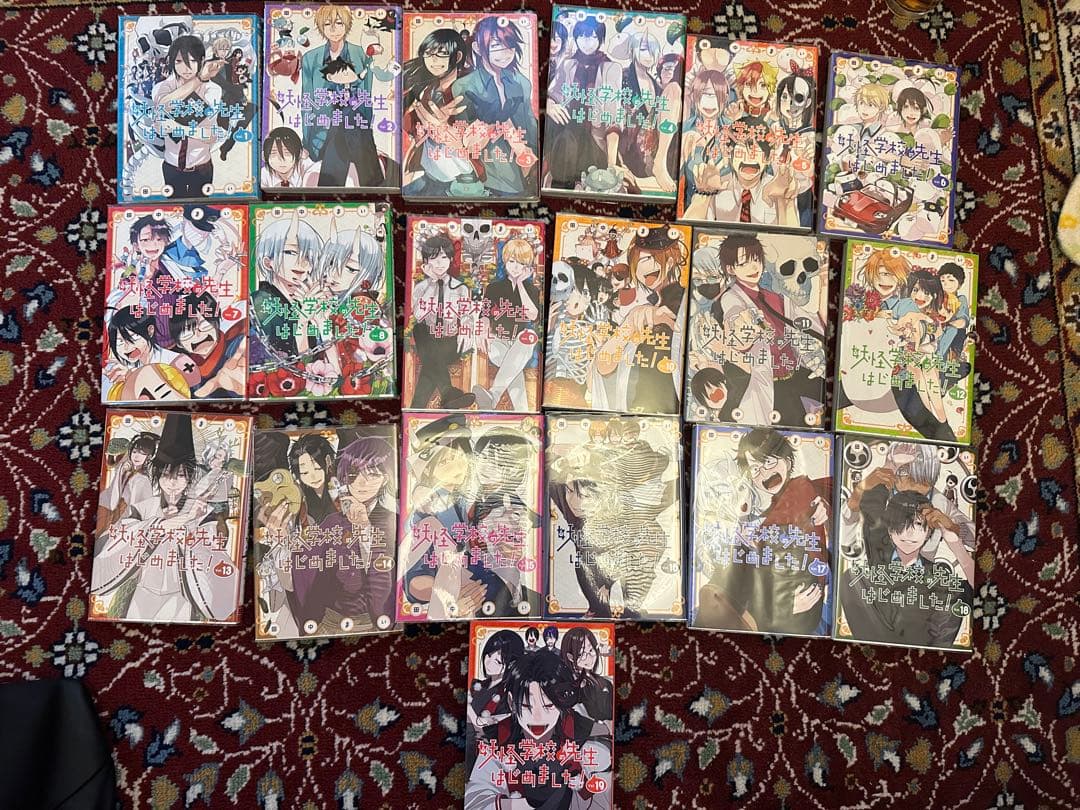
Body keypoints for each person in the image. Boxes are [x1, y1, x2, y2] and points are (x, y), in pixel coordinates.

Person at [91, 414, 240, 622]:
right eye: (166, 475)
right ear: (158, 475)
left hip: (180, 595)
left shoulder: (204, 513)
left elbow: (213, 550)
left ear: (189, 478)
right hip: (142, 590)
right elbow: (122, 537)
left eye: (180, 475)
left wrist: (192, 527)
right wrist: (183, 519)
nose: (172, 482)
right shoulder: (143, 508)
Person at [464, 650, 612, 810]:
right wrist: (514, 805)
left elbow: (604, 793)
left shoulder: (584, 733)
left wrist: (582, 783)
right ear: (512, 702)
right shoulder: (498, 736)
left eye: (548, 705)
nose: (537, 717)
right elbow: (475, 799)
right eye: (526, 705)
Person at [301, 5, 393, 188]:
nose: (333, 29)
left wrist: (366, 128)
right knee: (329, 186)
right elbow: (307, 101)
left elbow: (366, 94)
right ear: (321, 27)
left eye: (339, 23)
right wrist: (307, 139)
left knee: (373, 187)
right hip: (325, 128)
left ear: (347, 25)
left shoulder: (361, 54)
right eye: (327, 24)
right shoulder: (310, 58)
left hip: (356, 127)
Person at [450, 17, 538, 197]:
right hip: (484, 175)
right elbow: (462, 140)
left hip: (523, 170)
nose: (505, 53)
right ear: (477, 48)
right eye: (497, 46)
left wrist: (531, 159)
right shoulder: (464, 86)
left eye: (510, 45)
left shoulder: (521, 83)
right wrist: (491, 124)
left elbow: (529, 125)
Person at [543, 16, 623, 190]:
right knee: (565, 141)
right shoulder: (568, 64)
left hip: (595, 138)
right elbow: (553, 93)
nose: (587, 42)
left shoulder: (611, 68)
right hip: (567, 134)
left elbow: (614, 115)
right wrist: (550, 105)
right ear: (576, 38)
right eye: (582, 36)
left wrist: (612, 162)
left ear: (600, 39)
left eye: (593, 37)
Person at [471, 238, 540, 410]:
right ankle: (523, 413)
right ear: (505, 261)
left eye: (521, 263)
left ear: (527, 266)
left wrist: (521, 284)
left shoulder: (532, 290)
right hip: (497, 342)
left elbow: (532, 315)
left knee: (529, 336)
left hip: (520, 342)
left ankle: (493, 396)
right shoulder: (494, 288)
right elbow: (484, 314)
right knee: (514, 367)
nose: (516, 267)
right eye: (512, 261)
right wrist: (482, 330)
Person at [401, 28, 471, 196]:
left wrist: (447, 131)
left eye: (441, 54)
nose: (433, 60)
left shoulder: (467, 89)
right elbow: (410, 125)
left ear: (457, 57)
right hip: (430, 172)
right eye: (428, 54)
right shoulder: (427, 89)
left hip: (461, 178)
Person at [152, 35, 222, 198]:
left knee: (202, 209)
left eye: (192, 61)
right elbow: (163, 110)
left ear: (202, 60)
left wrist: (178, 127)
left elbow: (210, 135)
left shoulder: (212, 90)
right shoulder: (162, 87)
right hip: (171, 166)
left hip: (201, 166)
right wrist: (199, 79)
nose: (186, 67)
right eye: (179, 61)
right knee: (173, 209)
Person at [408, 232, 473, 408]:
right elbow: (419, 315)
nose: (439, 263)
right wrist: (432, 282)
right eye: (433, 258)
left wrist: (466, 329)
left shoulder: (460, 288)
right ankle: (447, 393)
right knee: (419, 329)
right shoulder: (421, 288)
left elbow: (467, 315)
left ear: (450, 259)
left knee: (430, 360)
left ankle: (417, 408)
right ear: (426, 261)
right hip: (428, 341)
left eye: (443, 257)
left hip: (450, 342)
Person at [168, 291, 246, 398]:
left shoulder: (237, 346)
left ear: (217, 322)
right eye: (187, 333)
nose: (198, 335)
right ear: (179, 344)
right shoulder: (184, 369)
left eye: (204, 325)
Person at [559, 626, 614, 725]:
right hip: (592, 731)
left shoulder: (605, 682)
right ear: (570, 657)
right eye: (581, 654)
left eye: (591, 650)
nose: (589, 657)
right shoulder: (571, 686)